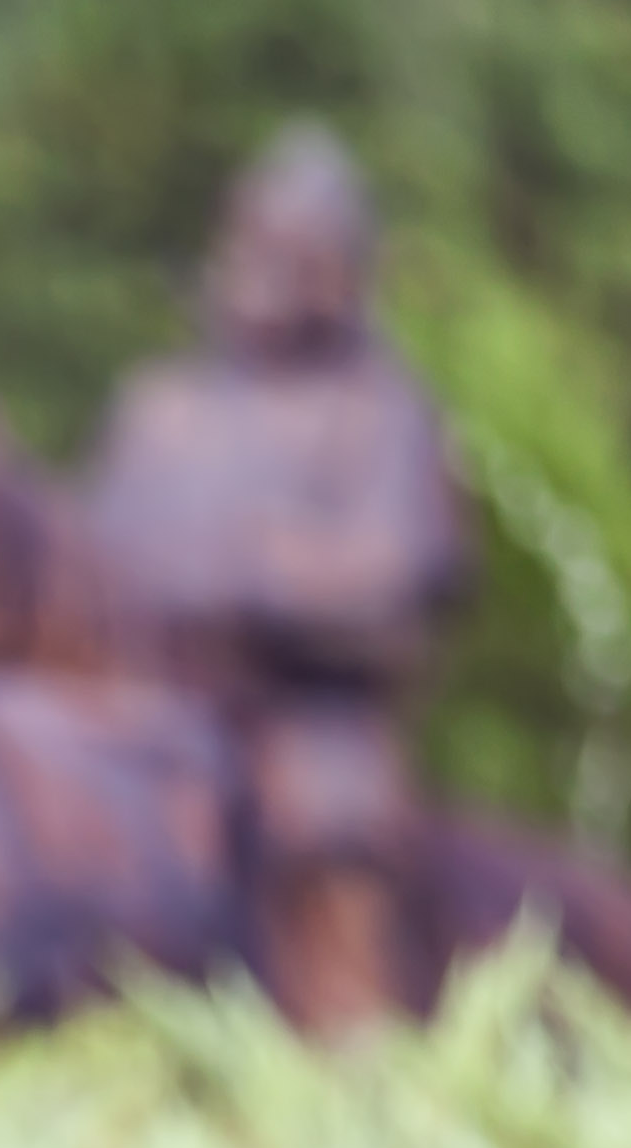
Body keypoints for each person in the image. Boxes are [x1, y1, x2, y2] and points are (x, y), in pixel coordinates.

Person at [80, 127, 471, 1032]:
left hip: (304, 718)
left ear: (341, 270)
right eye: (251, 244)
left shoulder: (378, 411)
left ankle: (346, 1046)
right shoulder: (159, 408)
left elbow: (395, 580)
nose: (263, 271)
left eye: (296, 252)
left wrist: (245, 571)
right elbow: (92, 556)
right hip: (138, 702)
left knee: (328, 815)